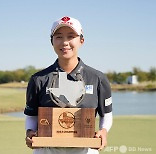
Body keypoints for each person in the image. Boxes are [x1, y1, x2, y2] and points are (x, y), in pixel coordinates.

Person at [24, 16, 113, 154]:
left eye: (71, 36)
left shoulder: (98, 78)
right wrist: (30, 132)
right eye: (58, 37)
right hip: (46, 150)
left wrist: (103, 131)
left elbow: (106, 114)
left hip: (86, 150)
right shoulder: (38, 79)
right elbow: (31, 115)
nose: (65, 42)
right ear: (52, 42)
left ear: (81, 40)